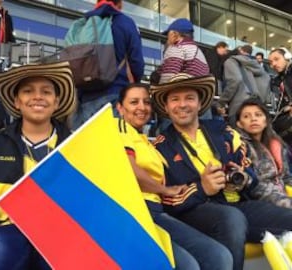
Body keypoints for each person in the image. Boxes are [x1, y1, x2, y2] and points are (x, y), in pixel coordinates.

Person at [150, 73, 292, 270]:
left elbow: (248, 170)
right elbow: (165, 200)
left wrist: (243, 179)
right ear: (166, 107)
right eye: (175, 99)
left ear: (200, 104)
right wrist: (202, 188)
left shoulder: (223, 130)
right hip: (193, 212)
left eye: (189, 98)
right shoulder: (159, 147)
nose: (182, 104)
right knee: (231, 218)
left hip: (238, 204)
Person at [0, 61, 76, 269]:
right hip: (2, 230)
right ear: (17, 102)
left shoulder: (77, 146)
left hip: (60, 236)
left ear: (56, 102)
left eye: (46, 92)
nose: (37, 97)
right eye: (28, 91)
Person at [116, 83, 232, 270]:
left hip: (157, 212)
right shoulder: (118, 127)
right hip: (135, 212)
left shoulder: (146, 140)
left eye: (146, 102)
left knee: (218, 255)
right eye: (134, 102)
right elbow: (127, 168)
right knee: (188, 265)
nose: (142, 107)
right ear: (120, 108)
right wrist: (165, 189)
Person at [70, 0, 144, 130]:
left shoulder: (83, 23)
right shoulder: (125, 22)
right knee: (115, 146)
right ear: (120, 5)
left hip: (85, 98)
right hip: (116, 94)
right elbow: (137, 63)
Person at [235, 98, 292, 208]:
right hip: (259, 202)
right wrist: (286, 201)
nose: (253, 119)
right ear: (239, 124)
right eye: (246, 116)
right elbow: (254, 187)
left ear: (266, 121)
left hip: (283, 194)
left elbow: (286, 177)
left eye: (258, 115)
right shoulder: (240, 147)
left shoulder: (275, 143)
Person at [217, 45, 270, 126]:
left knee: (238, 136)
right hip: (256, 105)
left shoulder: (231, 61)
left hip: (239, 107)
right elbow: (266, 82)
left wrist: (222, 102)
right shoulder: (255, 64)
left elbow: (235, 80)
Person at [157, 18, 209, 85]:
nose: (167, 39)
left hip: (180, 92)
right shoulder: (200, 53)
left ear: (174, 34)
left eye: (168, 35)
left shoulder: (176, 48)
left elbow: (166, 81)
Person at [268, 48, 292, 145]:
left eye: (276, 59)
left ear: (287, 57)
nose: (273, 64)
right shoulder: (277, 80)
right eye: (271, 62)